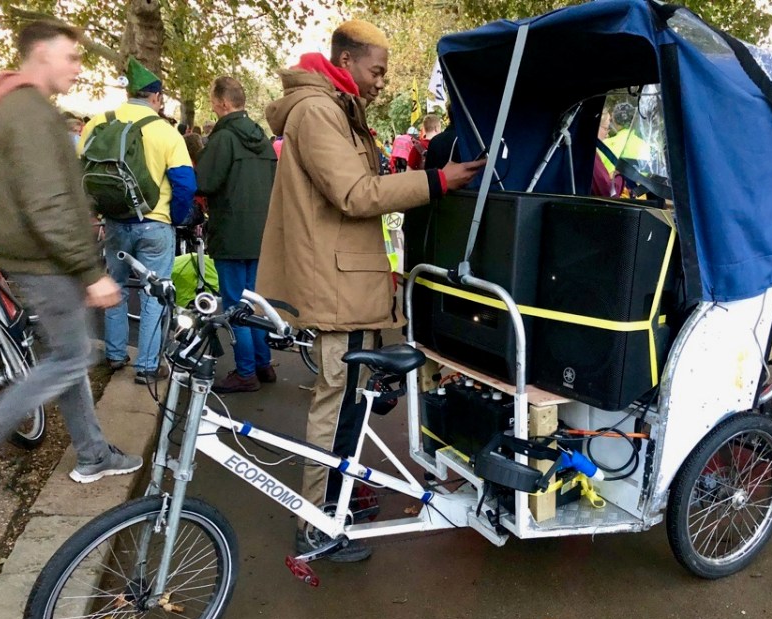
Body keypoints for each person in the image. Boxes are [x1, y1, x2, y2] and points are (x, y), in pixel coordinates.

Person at [256, 19, 484, 561]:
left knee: (347, 407)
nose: (382, 81)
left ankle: (334, 501)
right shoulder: (318, 112)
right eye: (377, 71)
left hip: (347, 283)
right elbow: (356, 194)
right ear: (347, 60)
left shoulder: (333, 109)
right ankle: (316, 525)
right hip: (338, 289)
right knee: (336, 408)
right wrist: (437, 181)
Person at [0, 20, 143, 483]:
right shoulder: (30, 113)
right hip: (46, 261)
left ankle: (93, 453)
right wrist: (89, 271)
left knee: (69, 355)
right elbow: (47, 202)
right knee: (70, 357)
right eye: (72, 57)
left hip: (37, 257)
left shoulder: (15, 106)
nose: (78, 68)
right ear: (42, 54)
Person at [79, 59, 196, 384]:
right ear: (156, 97)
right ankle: (147, 366)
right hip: (155, 224)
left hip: (115, 222)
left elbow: (82, 169)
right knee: (153, 294)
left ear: (129, 93)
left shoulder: (99, 123)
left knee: (114, 288)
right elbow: (185, 184)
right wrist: (174, 217)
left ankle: (116, 354)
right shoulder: (165, 131)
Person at [196, 76, 278, 393]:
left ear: (223, 103)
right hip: (261, 233)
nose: (213, 107)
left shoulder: (223, 139)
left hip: (231, 232)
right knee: (255, 302)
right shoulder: (262, 138)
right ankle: (262, 363)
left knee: (234, 305)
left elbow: (205, 182)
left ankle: (245, 372)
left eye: (213, 102)